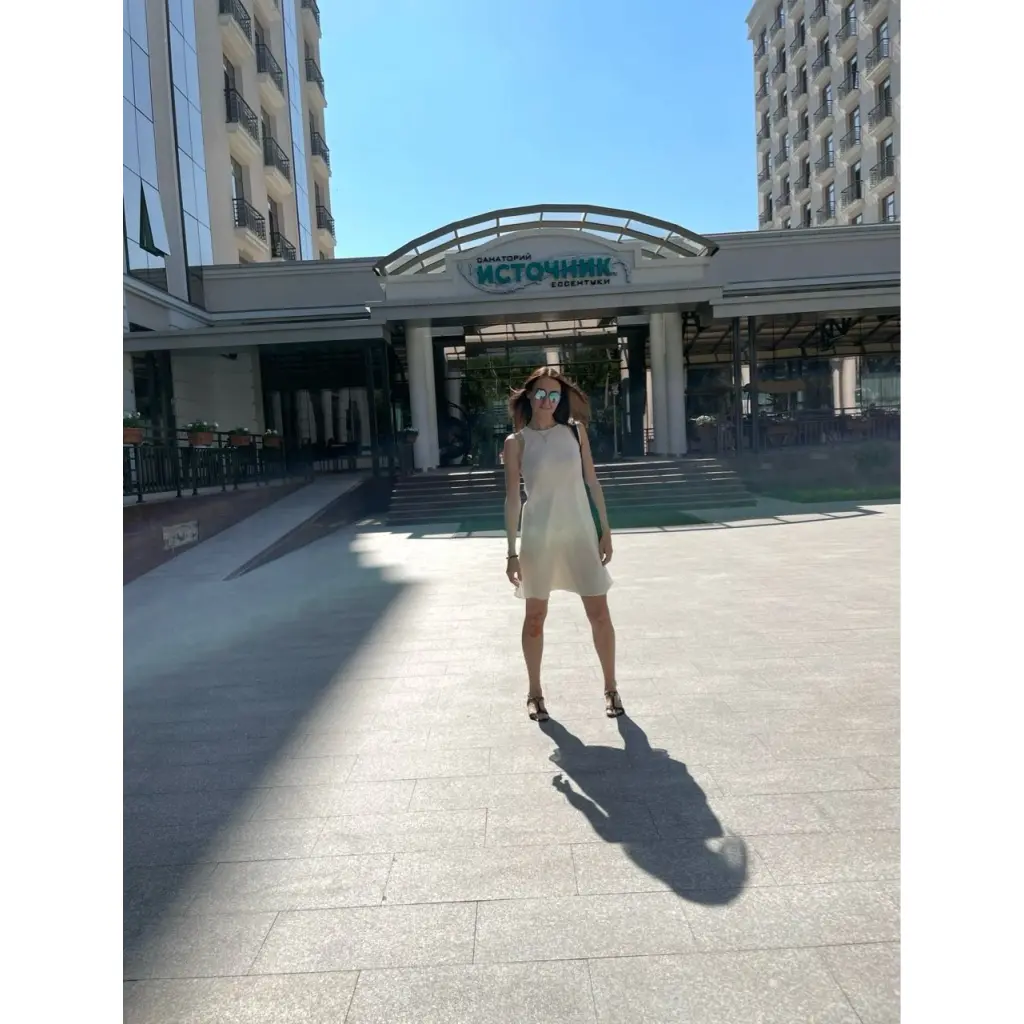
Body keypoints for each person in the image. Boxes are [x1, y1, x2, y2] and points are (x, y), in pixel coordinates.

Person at [502, 369, 622, 722]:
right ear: (529, 396)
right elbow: (512, 499)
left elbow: (592, 482)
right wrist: (511, 552)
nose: (547, 401)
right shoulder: (516, 442)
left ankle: (611, 688)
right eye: (541, 394)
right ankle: (534, 693)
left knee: (599, 614)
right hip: (538, 536)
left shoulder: (575, 432)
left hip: (580, 532)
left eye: (554, 395)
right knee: (535, 618)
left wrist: (605, 530)